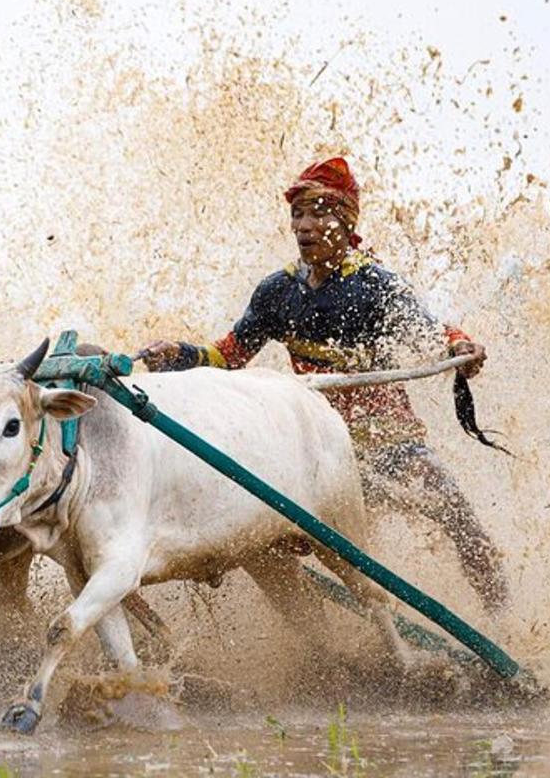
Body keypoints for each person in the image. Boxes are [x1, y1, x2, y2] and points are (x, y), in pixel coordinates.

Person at [140, 157, 508, 612]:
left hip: (385, 445)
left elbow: (429, 331)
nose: (305, 226)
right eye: (298, 214)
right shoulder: (278, 291)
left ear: (346, 220)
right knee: (267, 546)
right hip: (315, 452)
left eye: (319, 213)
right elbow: (228, 356)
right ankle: (329, 650)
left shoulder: (374, 285)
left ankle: (505, 623)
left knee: (460, 523)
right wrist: (178, 354)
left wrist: (460, 347)